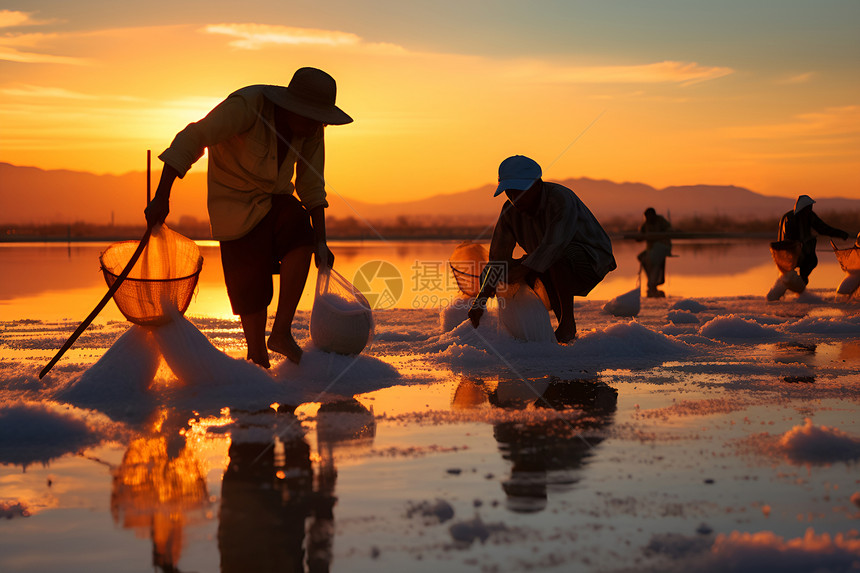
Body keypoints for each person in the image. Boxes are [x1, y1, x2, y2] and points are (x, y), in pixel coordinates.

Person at [145, 67, 352, 367]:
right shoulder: (247, 106)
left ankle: (281, 333)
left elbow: (311, 184)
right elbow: (194, 137)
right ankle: (257, 354)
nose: (315, 127)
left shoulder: (310, 129)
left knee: (300, 231)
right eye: (311, 118)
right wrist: (162, 197)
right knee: (250, 283)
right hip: (234, 202)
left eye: (320, 120)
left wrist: (321, 241)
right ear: (292, 107)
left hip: (276, 200)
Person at [468, 155, 616, 342]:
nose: (515, 199)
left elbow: (554, 245)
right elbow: (498, 258)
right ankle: (551, 328)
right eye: (510, 192)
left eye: (520, 192)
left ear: (537, 185)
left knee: (550, 259)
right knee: (518, 269)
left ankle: (567, 324)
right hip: (545, 259)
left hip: (591, 258)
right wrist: (480, 299)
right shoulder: (509, 212)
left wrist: (522, 268)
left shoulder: (560, 198)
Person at [777, 194, 850, 285]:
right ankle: (794, 283)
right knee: (805, 263)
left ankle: (802, 282)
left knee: (812, 261)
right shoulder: (790, 218)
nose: (810, 209)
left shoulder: (809, 216)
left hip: (803, 252)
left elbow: (822, 228)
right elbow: (788, 239)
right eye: (809, 207)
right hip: (790, 252)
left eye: (811, 207)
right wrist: (801, 244)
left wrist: (840, 234)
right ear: (803, 208)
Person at [636, 207, 672, 297]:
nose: (649, 219)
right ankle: (653, 282)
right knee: (642, 257)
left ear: (654, 215)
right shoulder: (647, 224)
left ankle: (653, 283)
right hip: (651, 249)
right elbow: (640, 234)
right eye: (647, 217)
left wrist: (663, 234)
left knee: (654, 259)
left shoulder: (660, 220)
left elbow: (670, 229)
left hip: (662, 247)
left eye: (650, 217)